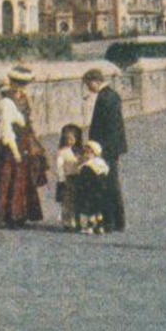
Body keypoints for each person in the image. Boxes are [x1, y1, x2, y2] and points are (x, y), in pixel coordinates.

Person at [0, 65, 46, 228]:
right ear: (12, 82)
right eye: (18, 84)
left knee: (22, 179)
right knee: (9, 179)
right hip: (12, 143)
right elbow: (6, 128)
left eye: (24, 84)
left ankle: (20, 213)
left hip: (24, 140)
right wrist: (14, 150)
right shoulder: (6, 102)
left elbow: (29, 121)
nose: (21, 88)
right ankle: (7, 216)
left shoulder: (23, 98)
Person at [84, 68, 128, 232]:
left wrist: (97, 148)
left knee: (106, 185)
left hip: (105, 148)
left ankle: (109, 221)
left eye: (89, 85)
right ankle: (119, 221)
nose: (89, 88)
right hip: (114, 147)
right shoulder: (113, 95)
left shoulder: (104, 98)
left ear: (95, 81)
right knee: (112, 184)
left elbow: (104, 128)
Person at [72, 140, 110, 235]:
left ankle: (90, 227)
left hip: (90, 191)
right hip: (102, 191)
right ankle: (100, 226)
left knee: (91, 210)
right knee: (98, 210)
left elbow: (83, 180)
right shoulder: (102, 164)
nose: (85, 154)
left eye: (87, 152)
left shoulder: (87, 166)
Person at [54, 123, 84, 231]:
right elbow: (59, 166)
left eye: (72, 139)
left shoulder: (79, 152)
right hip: (68, 178)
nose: (69, 141)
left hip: (77, 177)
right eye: (67, 139)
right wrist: (61, 178)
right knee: (67, 202)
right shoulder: (62, 152)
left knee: (77, 200)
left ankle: (77, 221)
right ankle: (67, 222)